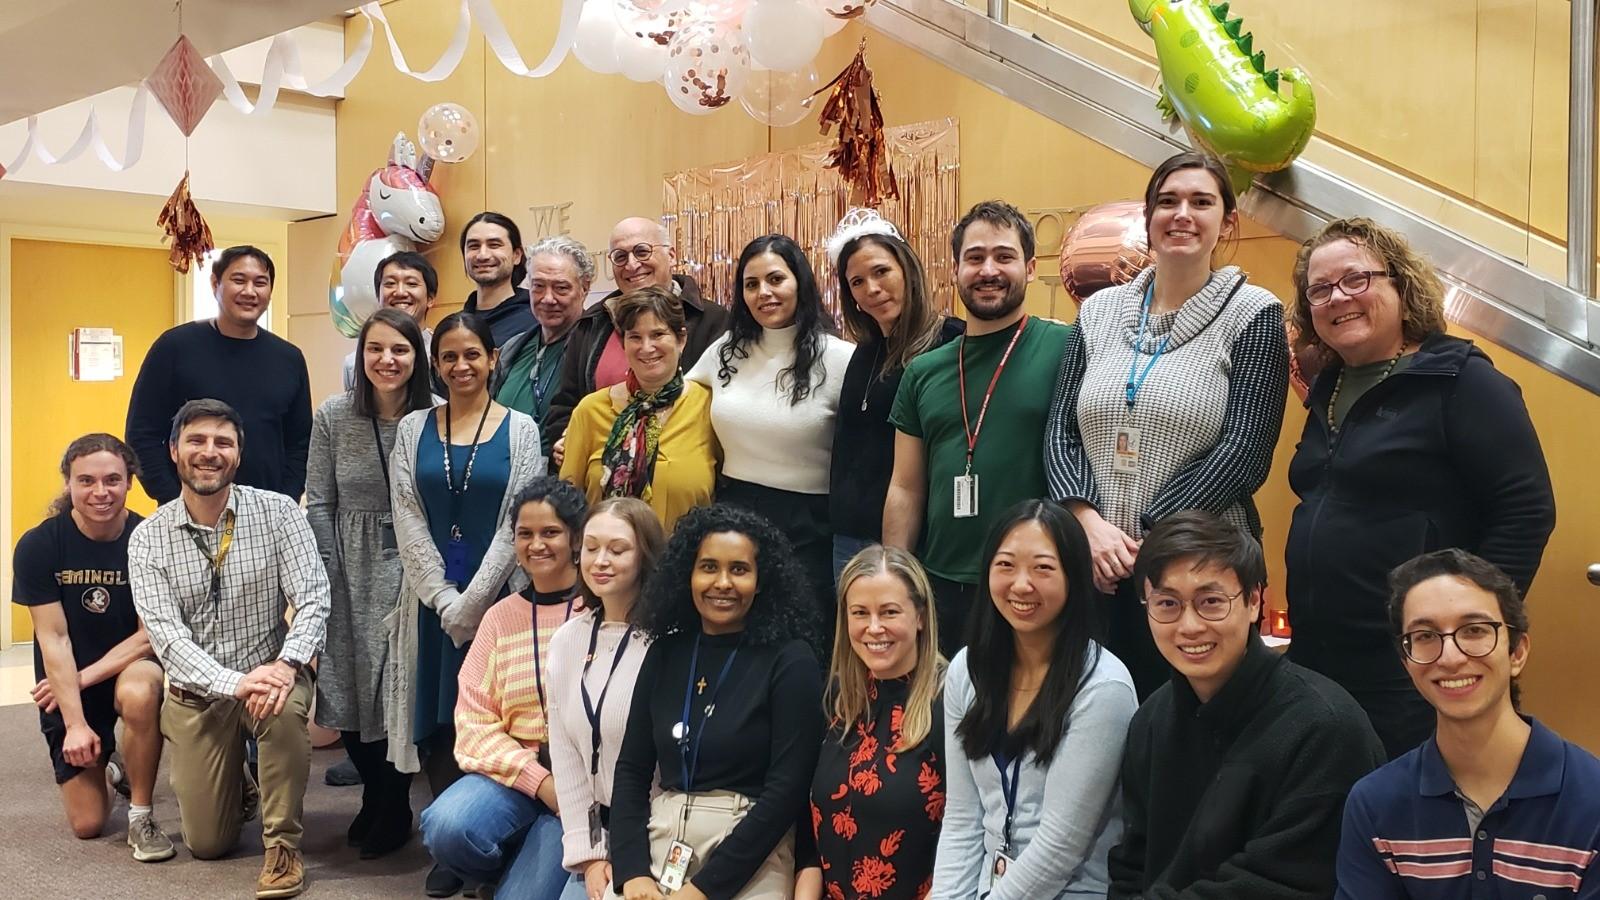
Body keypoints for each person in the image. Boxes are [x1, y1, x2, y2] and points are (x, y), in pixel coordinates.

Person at [1285, 217, 1556, 759]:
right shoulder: (1328, 389)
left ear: (1402, 288)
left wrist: (1468, 630)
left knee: (1416, 826)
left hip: (1413, 665)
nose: (1338, 297)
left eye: (1357, 279)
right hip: (1320, 657)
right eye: (1320, 289)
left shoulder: (1460, 379)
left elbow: (1526, 509)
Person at [1043, 152, 1290, 701]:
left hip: (1202, 571)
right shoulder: (1098, 310)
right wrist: (1087, 522)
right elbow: (1061, 430)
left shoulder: (1255, 313)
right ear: (1149, 217)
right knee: (1097, 717)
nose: (1183, 214)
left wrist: (1150, 536)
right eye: (1168, 202)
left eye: (1202, 202)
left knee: (1192, 725)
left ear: (1227, 222)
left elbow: (1246, 449)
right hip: (1096, 564)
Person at [1107, 511, 1384, 899]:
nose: (1189, 626)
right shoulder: (1151, 719)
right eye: (1167, 604)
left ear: (1255, 602)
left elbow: (1284, 884)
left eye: (1211, 601)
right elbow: (1131, 867)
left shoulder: (1325, 727)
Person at [127, 399, 330, 897]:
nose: (209, 453)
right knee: (208, 843)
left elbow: (314, 597)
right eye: (196, 440)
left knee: (281, 711)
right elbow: (168, 641)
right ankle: (241, 783)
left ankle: (283, 848)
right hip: (200, 693)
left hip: (269, 675)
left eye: (223, 442)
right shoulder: (148, 539)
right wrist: (234, 683)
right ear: (174, 451)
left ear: (238, 455)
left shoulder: (279, 511)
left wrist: (285, 665)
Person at [388, 311, 546, 897]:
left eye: (472, 355)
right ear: (437, 364)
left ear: (492, 359)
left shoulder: (522, 429)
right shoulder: (413, 428)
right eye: (449, 357)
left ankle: (494, 836)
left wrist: (474, 601)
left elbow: (519, 521)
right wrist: (443, 599)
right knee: (437, 715)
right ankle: (449, 848)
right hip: (430, 604)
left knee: (498, 714)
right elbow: (405, 513)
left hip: (500, 599)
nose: (461, 366)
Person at [1336, 549, 1600, 897]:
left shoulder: (1591, 800)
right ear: (1407, 663)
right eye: (1426, 636)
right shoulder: (1375, 804)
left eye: (1474, 630)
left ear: (1517, 652)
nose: (1450, 657)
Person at [609, 504, 824, 900]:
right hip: (662, 837)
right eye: (708, 567)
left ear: (761, 581)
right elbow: (631, 770)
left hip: (751, 853)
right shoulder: (665, 652)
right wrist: (631, 873)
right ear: (686, 576)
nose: (722, 582)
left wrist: (703, 890)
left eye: (739, 570)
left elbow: (787, 791)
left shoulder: (790, 660)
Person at [885, 201, 1072, 655]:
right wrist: (895, 579)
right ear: (955, 270)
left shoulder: (1066, 347)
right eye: (975, 258)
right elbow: (906, 488)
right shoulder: (923, 371)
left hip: (1035, 588)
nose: (988, 270)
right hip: (943, 584)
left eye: (1004, 257)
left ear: (1029, 267)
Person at [930, 500, 1136, 900]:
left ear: (1074, 577)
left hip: (1073, 889)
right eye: (1005, 565)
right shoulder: (966, 670)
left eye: (1043, 568)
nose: (1021, 584)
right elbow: (962, 817)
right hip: (988, 887)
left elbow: (1060, 847)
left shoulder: (1103, 687)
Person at [306, 308, 436, 859]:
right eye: (375, 349)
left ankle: (392, 803)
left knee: (394, 694)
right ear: (360, 358)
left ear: (417, 359)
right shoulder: (334, 415)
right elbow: (318, 500)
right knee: (348, 689)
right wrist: (327, 572)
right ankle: (378, 798)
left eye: (400, 350)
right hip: (348, 565)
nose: (387, 360)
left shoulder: (437, 416)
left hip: (411, 565)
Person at [421, 478, 590, 898]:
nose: (536, 545)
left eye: (550, 532)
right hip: (518, 777)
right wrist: (538, 782)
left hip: (584, 783)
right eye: (525, 534)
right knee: (445, 826)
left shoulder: (601, 610)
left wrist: (562, 789)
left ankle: (525, 862)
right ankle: (503, 863)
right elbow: (474, 723)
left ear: (575, 538)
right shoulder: (500, 618)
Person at [11, 434, 173, 861]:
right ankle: (112, 763)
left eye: (112, 480)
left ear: (130, 482)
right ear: (68, 484)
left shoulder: (150, 538)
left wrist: (85, 678)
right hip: (66, 680)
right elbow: (54, 638)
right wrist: (76, 721)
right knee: (88, 825)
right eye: (86, 481)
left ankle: (141, 814)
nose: (100, 492)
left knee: (141, 692)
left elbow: (149, 635)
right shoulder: (40, 545)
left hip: (128, 668)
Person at [685, 234, 855, 631]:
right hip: (734, 515)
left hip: (810, 526)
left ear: (801, 282)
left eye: (776, 279)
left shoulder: (840, 359)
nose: (764, 293)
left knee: (802, 643)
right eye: (751, 284)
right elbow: (674, 403)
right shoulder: (725, 350)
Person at [795, 544, 946, 900]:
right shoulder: (836, 697)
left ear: (920, 615)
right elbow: (807, 832)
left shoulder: (950, 699)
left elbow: (966, 837)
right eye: (860, 613)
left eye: (890, 612)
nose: (874, 628)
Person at [826, 211, 964, 578]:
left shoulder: (951, 342)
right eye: (857, 282)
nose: (871, 289)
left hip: (919, 538)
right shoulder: (864, 351)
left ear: (906, 269)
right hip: (848, 536)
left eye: (881, 272)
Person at [547, 497, 667, 900]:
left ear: (646, 557)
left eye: (617, 550)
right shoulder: (567, 640)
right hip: (595, 835)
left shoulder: (668, 644)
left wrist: (631, 857)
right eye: (591, 547)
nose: (600, 560)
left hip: (658, 835)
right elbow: (566, 757)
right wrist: (591, 856)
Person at [125, 245, 312, 503]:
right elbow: (142, 434)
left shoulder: (289, 358)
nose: (249, 291)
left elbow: (300, 443)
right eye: (238, 280)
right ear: (215, 284)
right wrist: (173, 499)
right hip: (188, 513)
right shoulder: (174, 348)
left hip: (267, 517)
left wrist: (284, 501)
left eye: (260, 283)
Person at [545, 216, 729, 455]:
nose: (631, 265)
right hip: (601, 473)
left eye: (642, 252)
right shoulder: (591, 323)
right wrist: (564, 441)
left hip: (686, 470)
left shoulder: (714, 321)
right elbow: (566, 403)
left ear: (671, 255)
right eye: (620, 257)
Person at [559, 287, 718, 533]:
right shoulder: (590, 411)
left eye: (658, 334)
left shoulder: (709, 406)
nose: (646, 347)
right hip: (605, 563)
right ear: (623, 343)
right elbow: (567, 508)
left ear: (681, 340)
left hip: (683, 564)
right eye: (634, 337)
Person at [494, 236, 595, 450]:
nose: (548, 299)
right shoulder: (511, 349)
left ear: (584, 288)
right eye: (538, 286)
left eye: (561, 288)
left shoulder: (595, 349)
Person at [342, 250, 441, 394]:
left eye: (411, 284)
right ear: (378, 296)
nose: (400, 292)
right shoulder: (354, 363)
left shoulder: (443, 356)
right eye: (390, 283)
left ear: (430, 298)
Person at [461, 211, 537, 346]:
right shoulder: (456, 325)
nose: (482, 255)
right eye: (474, 246)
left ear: (517, 255)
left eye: (494, 245)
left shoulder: (537, 318)